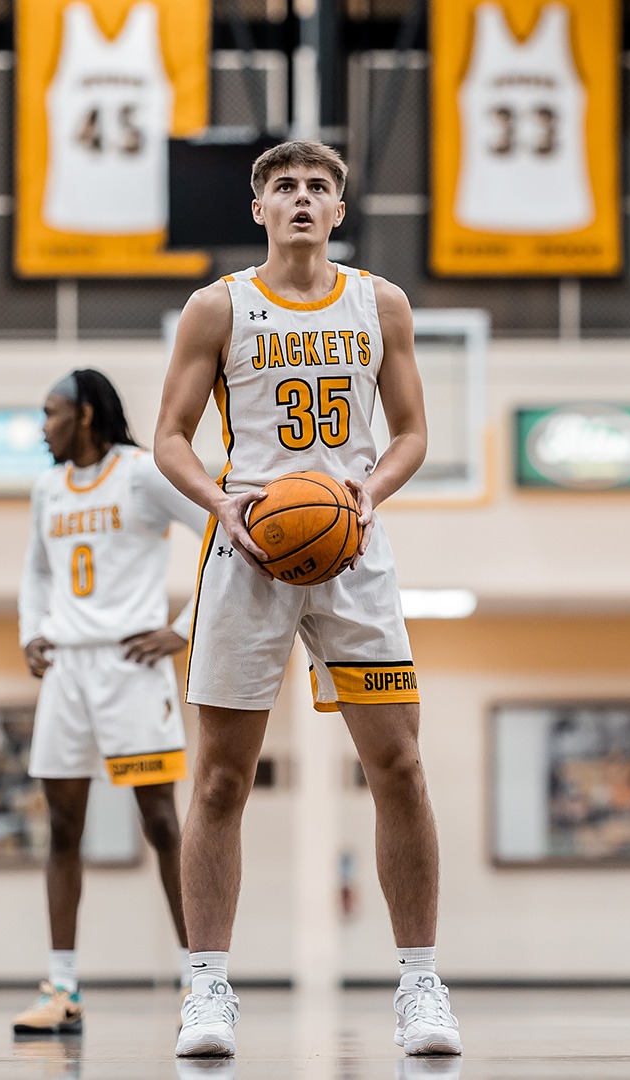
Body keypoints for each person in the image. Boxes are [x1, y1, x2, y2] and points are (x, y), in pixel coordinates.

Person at [152, 140, 462, 1058]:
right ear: (258, 210)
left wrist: (369, 491)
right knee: (221, 777)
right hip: (248, 547)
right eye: (282, 186)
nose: (300, 198)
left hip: (351, 546)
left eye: (317, 187)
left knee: (400, 766)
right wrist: (219, 503)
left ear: (338, 210)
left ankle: (421, 985)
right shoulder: (218, 306)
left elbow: (411, 433)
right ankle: (207, 989)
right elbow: (169, 437)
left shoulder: (381, 303)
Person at [10, 368, 207, 1035]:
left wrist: (184, 628)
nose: (43, 427)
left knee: (162, 823)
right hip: (67, 669)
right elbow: (37, 570)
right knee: (63, 829)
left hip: (131, 666)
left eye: (51, 412)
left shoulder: (143, 473)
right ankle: (62, 987)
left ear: (86, 414)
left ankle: (200, 981)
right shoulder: (47, 488)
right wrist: (31, 632)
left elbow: (220, 530)